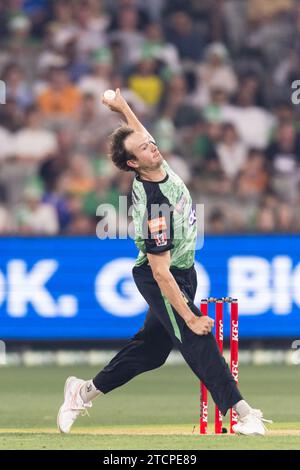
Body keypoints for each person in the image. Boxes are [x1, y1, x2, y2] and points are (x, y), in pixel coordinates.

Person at [57, 89, 271, 436]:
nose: (152, 146)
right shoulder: (155, 208)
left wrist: (122, 107)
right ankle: (243, 412)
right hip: (162, 277)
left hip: (183, 272)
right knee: (196, 338)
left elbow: (141, 136)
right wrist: (189, 315)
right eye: (144, 148)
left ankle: (81, 392)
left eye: (150, 143)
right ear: (133, 164)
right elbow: (159, 271)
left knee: (152, 352)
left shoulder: (156, 164)